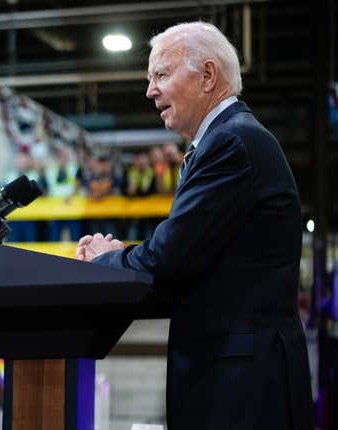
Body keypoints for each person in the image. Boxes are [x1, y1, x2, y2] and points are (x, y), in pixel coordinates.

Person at [76, 22, 313, 430]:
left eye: (161, 74)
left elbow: (169, 257)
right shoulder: (223, 142)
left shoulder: (232, 143)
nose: (150, 90)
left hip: (243, 388)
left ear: (207, 76)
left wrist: (109, 259)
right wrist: (118, 268)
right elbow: (183, 272)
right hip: (234, 380)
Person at [45, 146, 82, 241]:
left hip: (72, 209)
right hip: (56, 209)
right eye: (60, 156)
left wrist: (71, 196)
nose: (62, 158)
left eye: (65, 156)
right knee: (54, 238)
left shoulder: (74, 168)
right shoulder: (51, 171)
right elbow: (50, 190)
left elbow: (78, 186)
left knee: (75, 237)